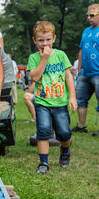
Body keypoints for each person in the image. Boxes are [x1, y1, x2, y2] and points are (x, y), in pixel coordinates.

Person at [27, 21, 77, 174]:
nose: (45, 43)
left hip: (60, 102)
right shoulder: (34, 57)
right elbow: (35, 77)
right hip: (42, 102)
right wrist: (44, 59)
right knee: (43, 131)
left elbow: (68, 77)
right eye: (41, 40)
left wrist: (72, 97)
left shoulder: (61, 55)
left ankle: (65, 150)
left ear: (54, 38)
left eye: (48, 39)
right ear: (35, 41)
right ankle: (44, 163)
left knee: (64, 133)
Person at [72, 4, 99, 136]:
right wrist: (79, 69)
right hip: (85, 73)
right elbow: (81, 50)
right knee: (80, 99)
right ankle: (81, 125)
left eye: (92, 15)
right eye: (87, 15)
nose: (89, 18)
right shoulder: (86, 31)